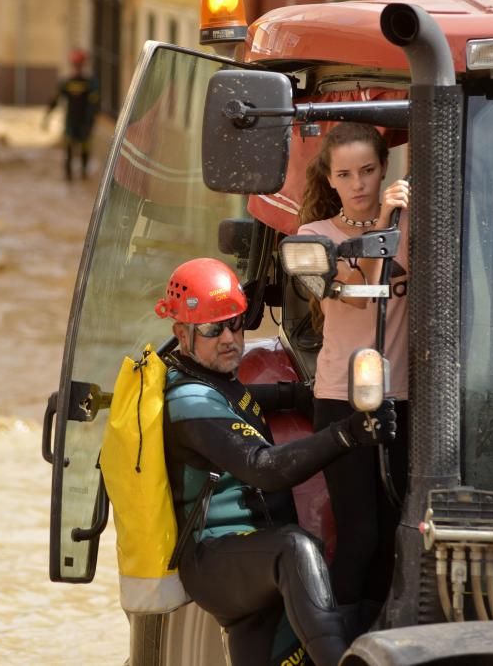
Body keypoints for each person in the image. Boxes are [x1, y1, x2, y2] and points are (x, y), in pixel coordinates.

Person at [157, 257, 398, 666]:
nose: (230, 338)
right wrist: (347, 433)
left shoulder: (215, 379)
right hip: (216, 558)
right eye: (213, 329)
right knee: (296, 548)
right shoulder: (188, 401)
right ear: (182, 333)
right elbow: (263, 468)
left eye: (235, 323)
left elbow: (247, 400)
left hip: (250, 555)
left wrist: (307, 394)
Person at [295, 122, 411, 624]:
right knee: (359, 532)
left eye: (368, 170)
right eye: (346, 174)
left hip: (405, 396)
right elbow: (357, 288)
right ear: (330, 179)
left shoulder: (414, 226)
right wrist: (384, 222)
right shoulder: (313, 238)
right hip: (342, 398)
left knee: (398, 531)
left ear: (384, 169)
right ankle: (332, 642)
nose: (359, 183)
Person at [43, 49, 100, 181]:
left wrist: (91, 121)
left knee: (85, 148)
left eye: (79, 65)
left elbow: (95, 104)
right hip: (71, 121)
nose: (77, 68)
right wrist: (47, 116)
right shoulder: (66, 82)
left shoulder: (90, 83)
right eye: (76, 65)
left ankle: (84, 174)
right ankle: (69, 176)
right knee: (68, 149)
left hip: (85, 122)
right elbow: (55, 100)